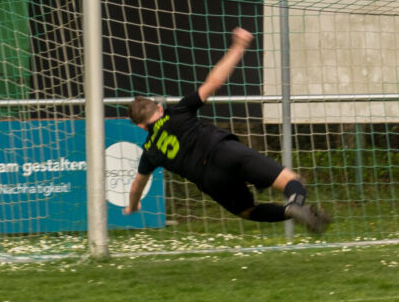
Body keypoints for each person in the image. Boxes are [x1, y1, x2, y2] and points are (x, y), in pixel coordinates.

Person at [125, 28, 330, 234]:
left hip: (210, 180)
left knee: (247, 210)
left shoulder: (150, 151)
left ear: (141, 126)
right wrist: (238, 46)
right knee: (291, 180)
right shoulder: (178, 111)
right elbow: (213, 82)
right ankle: (295, 204)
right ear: (159, 108)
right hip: (225, 151)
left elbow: (137, 185)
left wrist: (133, 206)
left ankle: (288, 212)